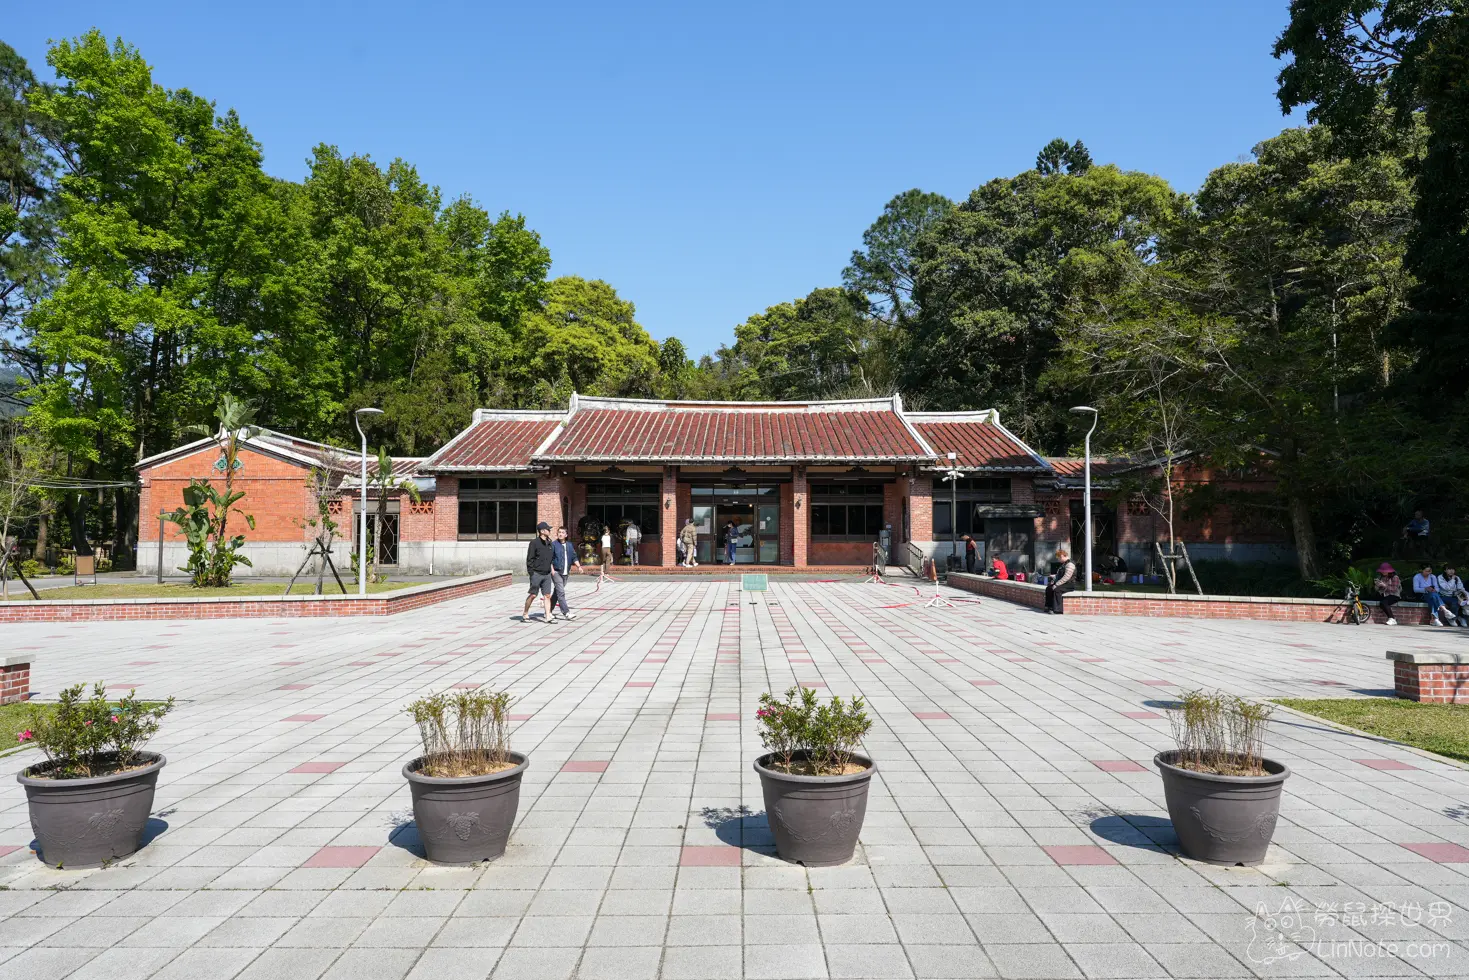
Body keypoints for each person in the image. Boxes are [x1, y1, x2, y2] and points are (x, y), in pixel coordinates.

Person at [521, 521, 555, 623]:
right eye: (548, 529)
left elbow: (551, 558)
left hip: (547, 573)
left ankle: (548, 616)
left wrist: (551, 569)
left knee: (547, 595)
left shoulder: (550, 543)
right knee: (533, 595)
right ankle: (525, 613)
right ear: (542, 531)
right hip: (536, 573)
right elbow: (529, 559)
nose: (549, 531)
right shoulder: (534, 543)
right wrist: (531, 573)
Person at [550, 525, 582, 621]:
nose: (560, 534)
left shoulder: (569, 545)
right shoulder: (554, 544)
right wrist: (552, 571)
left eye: (563, 532)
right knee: (561, 593)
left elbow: (574, 557)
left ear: (566, 535)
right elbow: (550, 559)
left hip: (565, 573)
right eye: (559, 532)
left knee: (557, 592)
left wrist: (579, 567)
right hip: (556, 572)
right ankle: (566, 613)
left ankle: (548, 611)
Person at [1045, 549, 1076, 615]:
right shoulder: (1064, 564)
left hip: (1069, 584)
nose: (1058, 560)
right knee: (1049, 588)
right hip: (1063, 583)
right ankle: (1048, 606)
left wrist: (1056, 584)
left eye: (1059, 558)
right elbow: (1060, 574)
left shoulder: (1070, 564)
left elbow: (1066, 577)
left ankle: (1057, 609)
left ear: (1062, 556)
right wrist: (1054, 577)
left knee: (1057, 589)